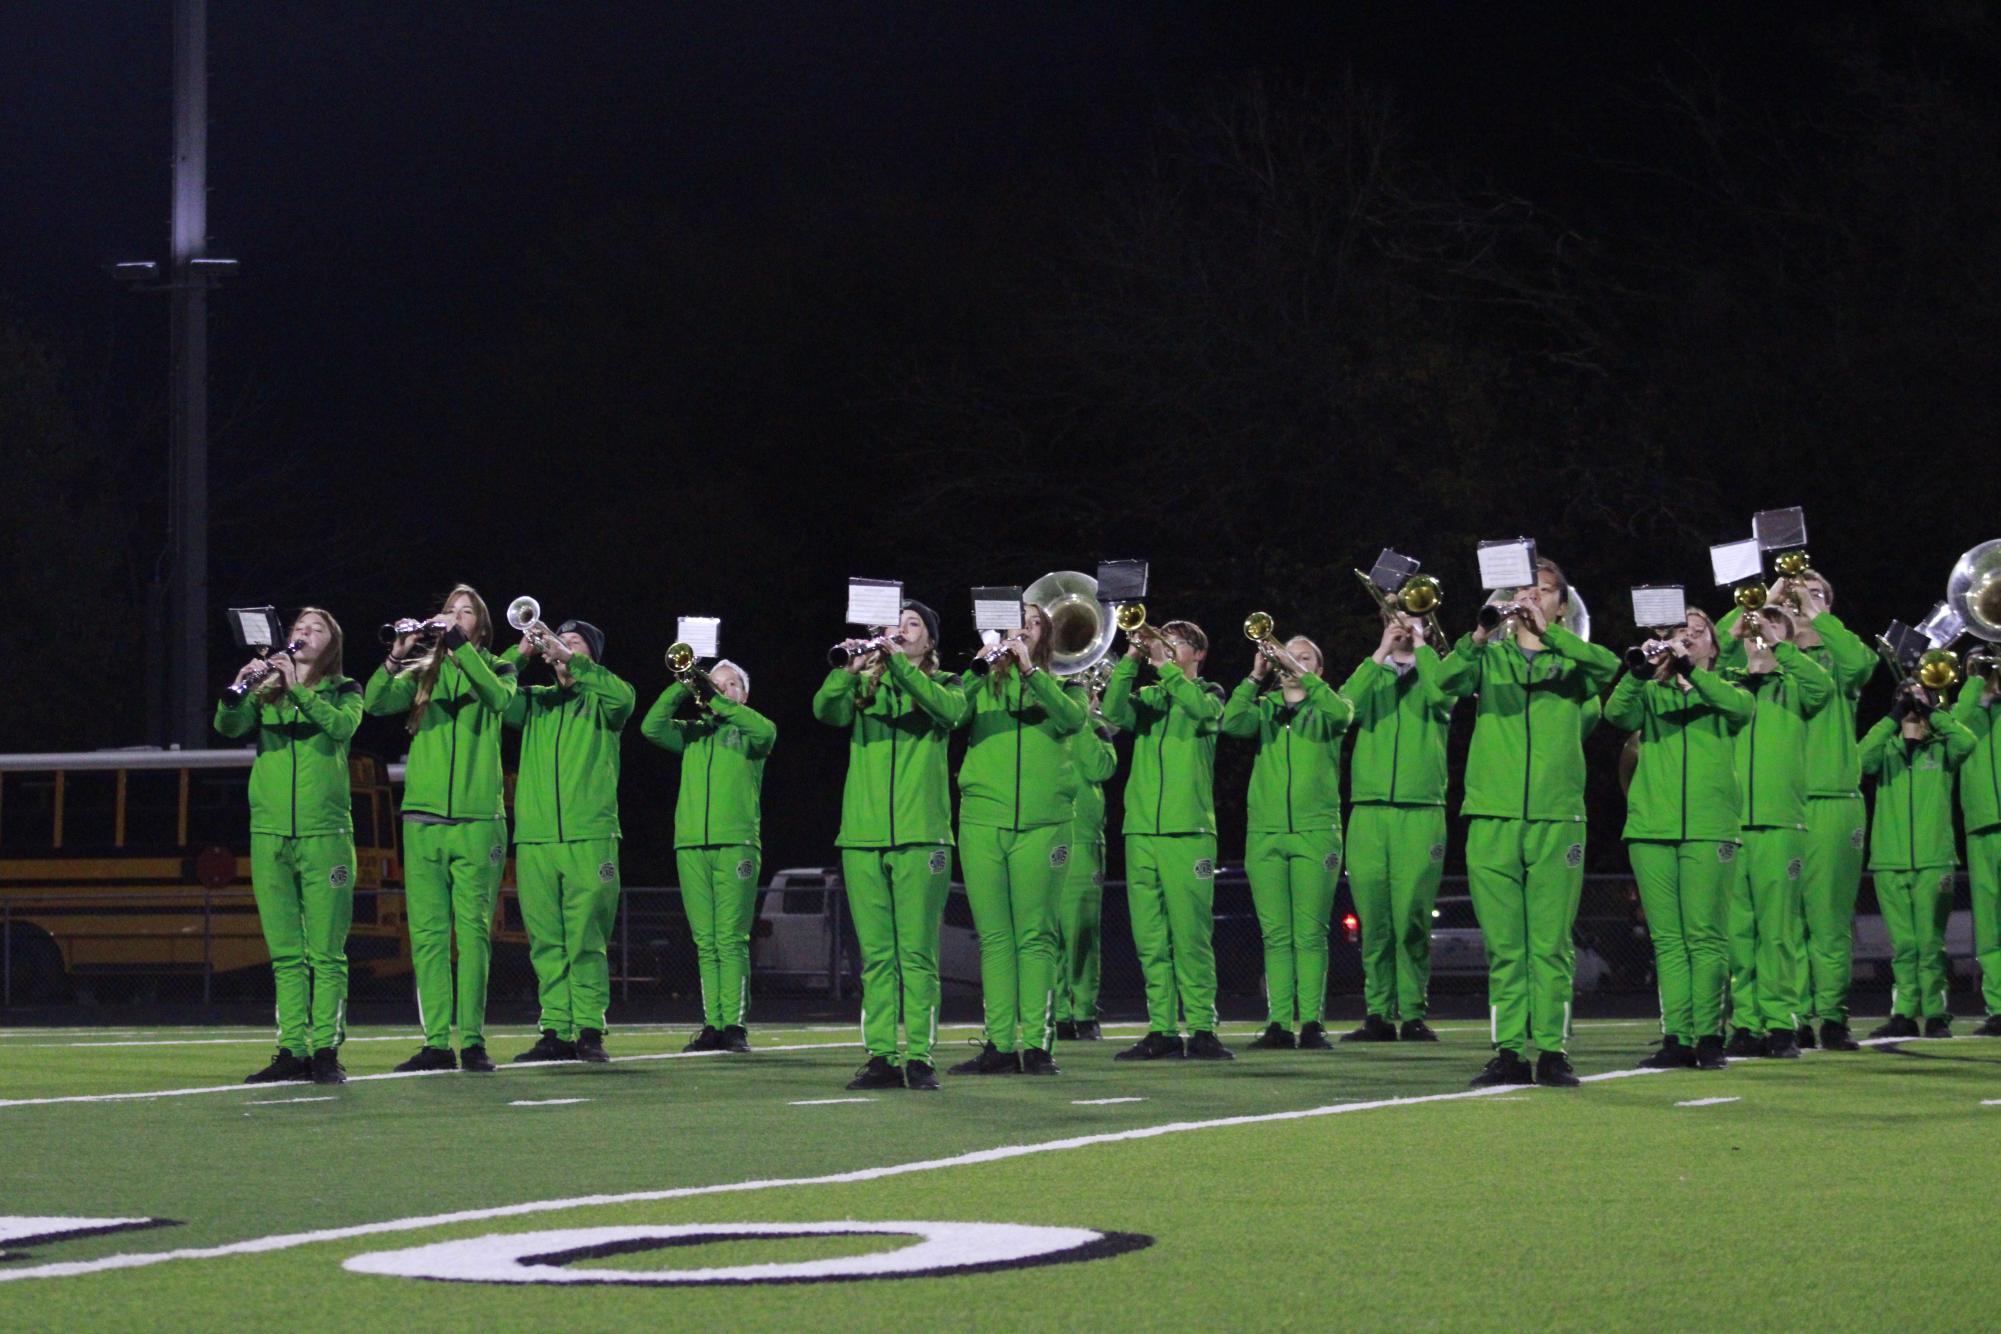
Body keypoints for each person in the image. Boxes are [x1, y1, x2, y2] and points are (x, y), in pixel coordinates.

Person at [1436, 558, 1619, 1088]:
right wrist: (1479, 631)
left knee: (1550, 942)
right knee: (1504, 945)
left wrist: (1553, 639)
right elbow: (1441, 683)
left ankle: (1553, 1050)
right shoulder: (1488, 660)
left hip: (1557, 816)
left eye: (1543, 590)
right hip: (1491, 814)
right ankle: (1509, 1050)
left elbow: (1610, 669)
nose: (1532, 597)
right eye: (1522, 590)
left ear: (1563, 605)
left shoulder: (1576, 661)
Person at [1719, 568, 1875, 1049]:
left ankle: (1828, 1014)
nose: (1796, 598)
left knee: (1825, 921)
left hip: (1828, 799)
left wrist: (1818, 614)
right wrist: (1762, 603)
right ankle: (1778, 1014)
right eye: (1791, 592)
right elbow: (1716, 651)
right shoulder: (1755, 658)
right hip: (1769, 803)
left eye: (1810, 591)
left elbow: (1862, 664)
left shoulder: (1835, 655)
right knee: (1766, 923)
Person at [364, 584, 518, 1074]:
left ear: (482, 626)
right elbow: (373, 702)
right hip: (423, 819)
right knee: (427, 937)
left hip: (478, 821)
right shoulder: (420, 675)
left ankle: (472, 1041)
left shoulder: (498, 666)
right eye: (449, 609)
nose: (454, 615)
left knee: (473, 936)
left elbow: (498, 700)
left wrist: (456, 648)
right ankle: (435, 1042)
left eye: (465, 611)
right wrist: (398, 654)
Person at [813, 602, 964, 1091]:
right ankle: (880, 1054)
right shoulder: (864, 686)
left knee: (917, 954)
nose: (900, 631)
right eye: (894, 625)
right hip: (862, 836)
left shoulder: (950, 682)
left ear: (930, 641)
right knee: (876, 956)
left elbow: (951, 714)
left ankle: (919, 1055)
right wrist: (849, 671)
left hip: (922, 835)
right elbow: (825, 712)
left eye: (912, 624)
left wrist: (896, 664)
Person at [215, 608, 362, 1086]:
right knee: (285, 952)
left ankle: (325, 1049)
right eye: (299, 628)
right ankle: (291, 1049)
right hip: (270, 833)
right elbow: (227, 728)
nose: (304, 634)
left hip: (326, 836)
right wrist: (240, 689)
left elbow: (342, 729)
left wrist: (297, 687)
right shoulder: (266, 690)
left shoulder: (345, 690)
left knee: (326, 952)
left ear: (331, 644)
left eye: (316, 629)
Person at [1605, 610, 1754, 1071]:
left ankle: (1709, 1036)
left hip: (1710, 827)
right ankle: (1677, 1036)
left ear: (1712, 645)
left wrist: (1690, 672)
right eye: (1675, 632)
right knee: (1668, 941)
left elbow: (1741, 712)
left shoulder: (1730, 688)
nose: (1684, 638)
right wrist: (1638, 672)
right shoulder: (1650, 693)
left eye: (1695, 632)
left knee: (1706, 937)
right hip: (1652, 828)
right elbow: (1615, 714)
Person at [949, 605, 1087, 1076]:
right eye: (1015, 621)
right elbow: (950, 716)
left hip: (1045, 824)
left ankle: (1038, 1044)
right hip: (983, 821)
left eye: (1032, 622)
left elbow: (1071, 721)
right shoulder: (983, 683)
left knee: (1036, 938)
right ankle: (999, 1044)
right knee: (995, 939)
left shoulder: (1066, 684)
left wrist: (1029, 670)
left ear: (1045, 635)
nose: (1022, 628)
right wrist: (982, 665)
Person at [501, 617, 635, 1065]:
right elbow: (489, 687)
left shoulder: (604, 701)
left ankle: (590, 1028)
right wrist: (521, 651)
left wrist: (572, 659)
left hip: (589, 836)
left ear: (591, 656)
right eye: (558, 640)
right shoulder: (535, 703)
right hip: (537, 839)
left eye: (575, 643)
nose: (562, 646)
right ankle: (556, 1029)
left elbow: (624, 697)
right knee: (546, 943)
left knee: (586, 940)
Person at [1102, 618, 1231, 1061]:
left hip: (1188, 833)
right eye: (1165, 643)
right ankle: (1161, 1029)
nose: (1168, 649)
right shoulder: (1151, 698)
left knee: (1191, 937)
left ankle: (1201, 1029)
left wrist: (1167, 669)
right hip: (1141, 831)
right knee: (1151, 940)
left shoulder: (1209, 693)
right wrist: (1131, 661)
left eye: (1178, 645)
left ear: (1197, 654)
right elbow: (1114, 713)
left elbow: (1204, 711)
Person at [1222, 629, 1354, 1050]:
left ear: (1319, 669)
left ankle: (1313, 1023)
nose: (1295, 664)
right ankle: (1278, 1022)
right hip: (1266, 834)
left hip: (1316, 833)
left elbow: (1341, 714)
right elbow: (1230, 723)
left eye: (1306, 659)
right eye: (1289, 658)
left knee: (1311, 934)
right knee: (1276, 935)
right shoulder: (1263, 710)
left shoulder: (1330, 708)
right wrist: (1255, 675)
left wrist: (1304, 675)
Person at [642, 657, 776, 1054]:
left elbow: (765, 729)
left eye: (730, 684)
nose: (721, 689)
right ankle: (712, 1024)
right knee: (705, 941)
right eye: (714, 684)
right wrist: (685, 684)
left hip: (736, 843)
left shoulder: (752, 732)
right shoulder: (693, 734)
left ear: (744, 694)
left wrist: (721, 703)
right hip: (690, 845)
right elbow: (651, 726)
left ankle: (734, 1024)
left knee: (731, 938)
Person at [1338, 610, 1457, 1044]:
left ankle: (1412, 1012)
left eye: (1413, 620)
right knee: (1374, 919)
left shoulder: (1436, 671)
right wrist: (1382, 651)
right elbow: (1342, 708)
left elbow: (1445, 696)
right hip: (1368, 811)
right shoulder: (1374, 673)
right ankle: (1377, 1013)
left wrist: (1422, 644)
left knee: (1411, 918)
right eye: (1396, 619)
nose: (1404, 626)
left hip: (1421, 810)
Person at [1720, 605, 1832, 1060]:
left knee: (1779, 933)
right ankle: (1745, 1022)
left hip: (1782, 824)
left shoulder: (1795, 685)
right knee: (1738, 936)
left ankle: (1782, 1022)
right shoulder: (1728, 684)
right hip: (1730, 825)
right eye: (1753, 630)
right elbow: (1710, 653)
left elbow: (1823, 686)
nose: (1757, 636)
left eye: (1767, 628)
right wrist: (1737, 628)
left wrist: (1782, 643)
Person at [1860, 682, 1976, 1038]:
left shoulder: (1942, 747)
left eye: (1918, 695)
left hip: (1933, 859)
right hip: (1889, 860)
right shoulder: (1886, 748)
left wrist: (1930, 712)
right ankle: (1904, 1012)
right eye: (1905, 696)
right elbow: (1860, 758)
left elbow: (1967, 742)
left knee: (1929, 942)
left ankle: (1937, 1013)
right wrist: (1893, 718)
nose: (1911, 702)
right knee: (1903, 945)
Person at [1055, 671, 1119, 1043]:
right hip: (1048, 832)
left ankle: (1083, 1010)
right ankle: (1057, 1012)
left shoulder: (1097, 730)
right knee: (1049, 932)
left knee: (1081, 932)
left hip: (1084, 842)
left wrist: (1082, 719)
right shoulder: (1051, 713)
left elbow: (1100, 768)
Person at [1952, 663, 2001, 1035]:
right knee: (1989, 928)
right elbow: (1954, 727)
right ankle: (1999, 1007)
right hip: (1981, 824)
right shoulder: (1971, 713)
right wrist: (1974, 681)